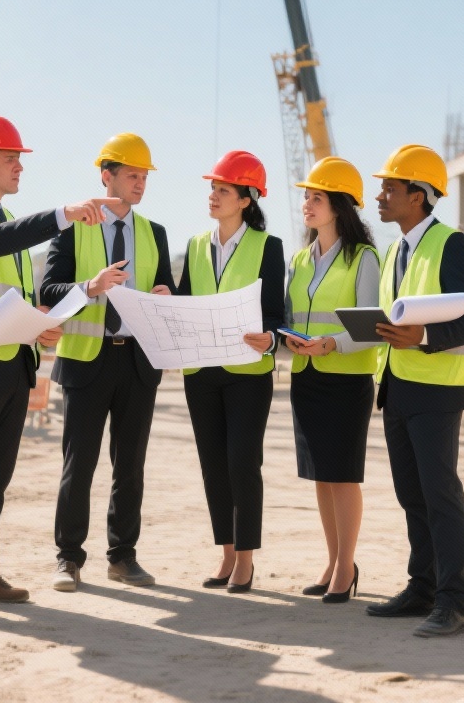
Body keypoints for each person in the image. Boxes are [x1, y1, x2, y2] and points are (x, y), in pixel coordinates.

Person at [0, 114, 119, 618]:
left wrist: (39, 326)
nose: (19, 167)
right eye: (11, 158)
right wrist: (61, 215)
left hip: (12, 363)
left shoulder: (4, 224)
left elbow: (9, 298)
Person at [40, 132, 175, 592]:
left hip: (138, 362)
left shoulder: (154, 233)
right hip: (86, 361)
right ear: (106, 176)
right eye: (132, 174)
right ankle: (68, 558)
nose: (140, 183)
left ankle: (123, 556)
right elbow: (48, 290)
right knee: (79, 465)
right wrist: (90, 288)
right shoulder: (73, 227)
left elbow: (166, 289)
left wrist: (168, 295)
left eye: (144, 176)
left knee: (130, 467)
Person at [365, 144, 464, 637]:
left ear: (417, 195)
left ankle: (454, 601)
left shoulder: (451, 244)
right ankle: (423, 587)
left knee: (441, 495)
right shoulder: (394, 251)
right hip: (397, 386)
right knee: (411, 495)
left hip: (437, 389)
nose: (380, 196)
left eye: (389, 188)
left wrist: (423, 337)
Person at [177, 151, 286, 594]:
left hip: (247, 372)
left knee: (243, 463)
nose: (213, 195)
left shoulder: (268, 247)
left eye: (223, 189)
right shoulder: (195, 245)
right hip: (200, 371)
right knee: (213, 465)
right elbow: (187, 300)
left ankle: (245, 558)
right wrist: (168, 298)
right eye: (212, 188)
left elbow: (276, 313)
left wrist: (271, 337)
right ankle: (225, 554)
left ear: (246, 199)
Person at [281, 156, 381, 604]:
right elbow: (289, 316)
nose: (307, 204)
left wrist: (330, 344)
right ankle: (333, 560)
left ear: (339, 205)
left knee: (343, 476)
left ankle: (347, 565)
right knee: (321, 477)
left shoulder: (364, 258)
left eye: (316, 197)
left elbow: (371, 328)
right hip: (306, 378)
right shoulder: (300, 259)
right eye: (306, 196)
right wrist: (289, 339)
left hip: (346, 380)